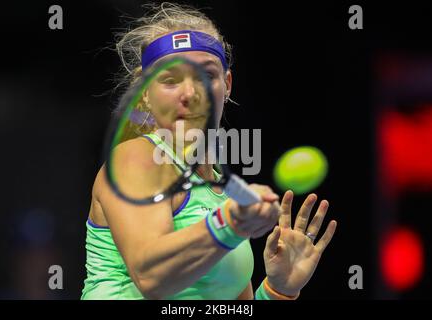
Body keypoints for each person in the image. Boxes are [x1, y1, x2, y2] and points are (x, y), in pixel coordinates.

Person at [81, 2, 337, 300]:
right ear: (145, 93)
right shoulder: (135, 159)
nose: (190, 94)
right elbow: (151, 278)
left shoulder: (225, 193)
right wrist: (227, 224)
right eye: (170, 79)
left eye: (207, 75)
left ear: (226, 85)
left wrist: (278, 290)